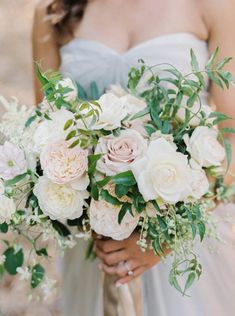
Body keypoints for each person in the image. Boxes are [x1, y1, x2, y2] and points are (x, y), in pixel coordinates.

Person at [32, 1, 235, 315]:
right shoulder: (53, 11)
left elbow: (230, 138)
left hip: (187, 238)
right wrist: (94, 217)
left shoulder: (215, 6)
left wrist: (162, 239)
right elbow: (45, 135)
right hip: (96, 243)